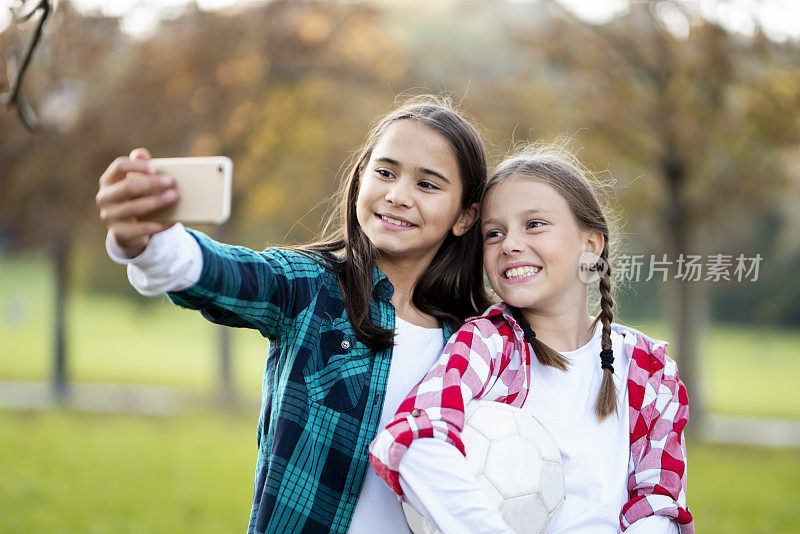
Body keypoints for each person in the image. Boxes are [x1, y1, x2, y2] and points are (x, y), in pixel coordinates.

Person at [95, 95, 494, 534]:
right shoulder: (311, 287)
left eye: (428, 185)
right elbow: (230, 274)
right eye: (385, 172)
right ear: (361, 178)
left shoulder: (478, 340)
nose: (398, 195)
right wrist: (150, 243)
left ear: (465, 216)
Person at [369, 145, 694, 533]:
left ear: (590, 246)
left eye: (535, 224)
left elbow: (658, 502)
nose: (510, 244)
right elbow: (414, 440)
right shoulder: (488, 346)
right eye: (494, 233)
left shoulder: (649, 370)